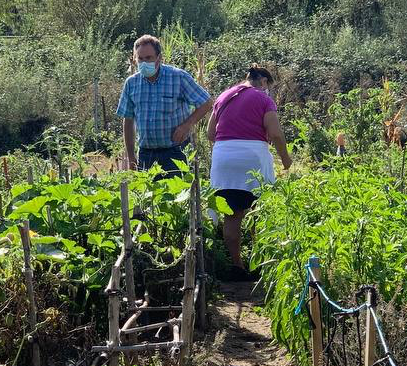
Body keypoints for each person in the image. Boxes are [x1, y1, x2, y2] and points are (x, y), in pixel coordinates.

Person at [207, 63, 291, 277]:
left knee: (232, 215)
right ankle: (261, 265)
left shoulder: (224, 96)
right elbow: (276, 133)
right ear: (263, 82)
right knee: (259, 212)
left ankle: (237, 266)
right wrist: (286, 159)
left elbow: (210, 133)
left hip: (223, 156)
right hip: (253, 156)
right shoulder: (263, 99)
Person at [117, 35, 212, 174]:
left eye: (148, 58)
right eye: (140, 59)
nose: (144, 63)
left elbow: (207, 102)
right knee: (146, 195)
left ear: (159, 58)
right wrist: (131, 157)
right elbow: (128, 119)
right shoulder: (131, 83)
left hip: (175, 152)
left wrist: (187, 125)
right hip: (146, 154)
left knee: (177, 194)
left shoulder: (178, 77)